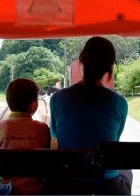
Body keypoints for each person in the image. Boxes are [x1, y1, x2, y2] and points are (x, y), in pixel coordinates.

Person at [49, 36, 132, 195]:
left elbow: (55, 134)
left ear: (82, 61)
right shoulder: (120, 103)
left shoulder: (57, 98)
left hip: (67, 181)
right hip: (106, 184)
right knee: (126, 169)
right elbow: (114, 140)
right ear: (110, 67)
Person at [0, 78, 51, 194]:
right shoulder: (43, 129)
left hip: (4, 192)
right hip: (36, 191)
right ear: (34, 105)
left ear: (8, 103)